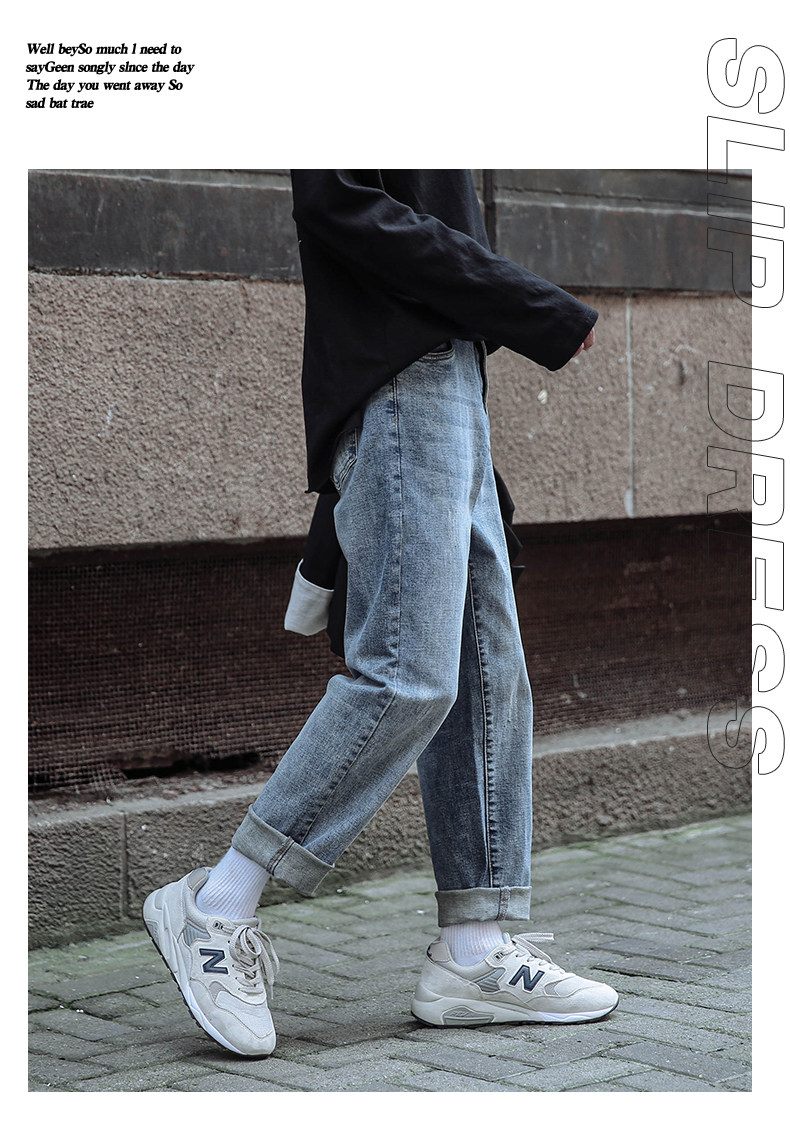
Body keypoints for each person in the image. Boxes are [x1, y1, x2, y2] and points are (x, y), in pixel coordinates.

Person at [143, 170, 618, 1058]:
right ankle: (216, 903)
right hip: (401, 382)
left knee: (486, 677)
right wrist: (529, 305)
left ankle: (474, 949)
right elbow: (343, 202)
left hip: (455, 381)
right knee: (408, 673)